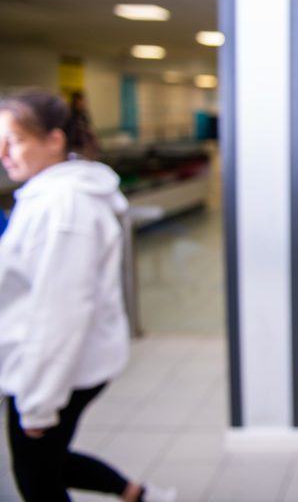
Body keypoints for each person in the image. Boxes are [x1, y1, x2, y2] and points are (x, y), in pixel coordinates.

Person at [0, 91, 175, 502]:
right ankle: (135, 493)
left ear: (54, 140)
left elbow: (60, 314)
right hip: (54, 363)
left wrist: (39, 402)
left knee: (37, 480)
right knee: (46, 462)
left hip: (53, 368)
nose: (4, 153)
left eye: (15, 140)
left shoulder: (65, 209)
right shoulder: (49, 194)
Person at [63, 91, 99, 161]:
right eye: (82, 100)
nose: (84, 103)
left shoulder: (83, 116)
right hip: (76, 151)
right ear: (76, 101)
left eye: (85, 101)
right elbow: (71, 136)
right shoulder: (71, 117)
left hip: (86, 151)